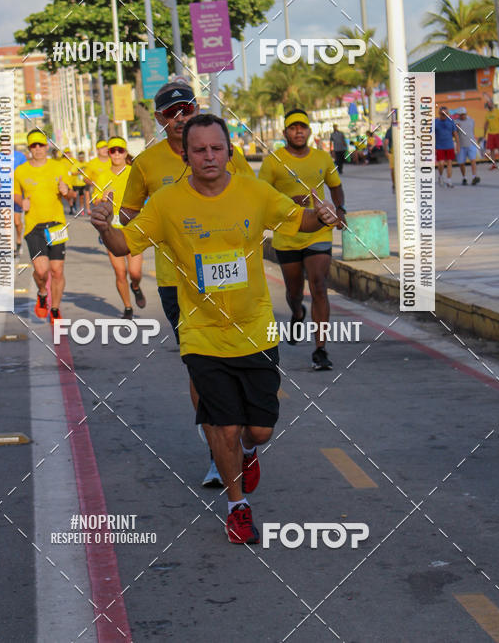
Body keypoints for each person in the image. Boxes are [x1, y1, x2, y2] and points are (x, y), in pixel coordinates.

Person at [91, 114, 338, 544]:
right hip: (201, 334)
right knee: (223, 426)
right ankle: (237, 507)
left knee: (258, 429)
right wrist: (103, 227)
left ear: (229, 151)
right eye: (199, 149)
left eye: (216, 148)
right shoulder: (167, 203)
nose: (209, 156)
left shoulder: (254, 191)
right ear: (185, 154)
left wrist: (323, 214)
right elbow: (123, 243)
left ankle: (248, 451)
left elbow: (300, 221)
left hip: (255, 330)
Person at [120, 80, 255, 489]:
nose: (180, 117)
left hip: (234, 276)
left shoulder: (225, 152)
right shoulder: (147, 163)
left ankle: (243, 442)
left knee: (243, 365)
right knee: (201, 370)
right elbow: (128, 216)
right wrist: (158, 221)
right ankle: (218, 455)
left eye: (186, 108)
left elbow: (253, 197)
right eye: (171, 113)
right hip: (177, 282)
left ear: (197, 108)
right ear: (161, 120)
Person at [258, 109, 345, 370]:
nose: (299, 131)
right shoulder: (273, 161)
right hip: (287, 234)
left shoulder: (321, 157)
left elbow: (335, 185)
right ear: (285, 133)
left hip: (318, 229)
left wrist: (340, 211)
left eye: (303, 127)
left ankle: (320, 349)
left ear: (309, 131)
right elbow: (261, 192)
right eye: (293, 128)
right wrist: (287, 202)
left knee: (319, 285)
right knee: (294, 291)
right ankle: (297, 313)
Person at [14, 129, 75, 325]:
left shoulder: (58, 167)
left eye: (41, 145)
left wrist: (66, 191)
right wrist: (21, 201)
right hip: (34, 227)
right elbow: (15, 194)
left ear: (47, 146)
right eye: (34, 145)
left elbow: (72, 193)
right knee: (41, 271)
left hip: (57, 224)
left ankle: (55, 309)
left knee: (57, 270)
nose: (38, 149)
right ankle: (42, 292)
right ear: (29, 148)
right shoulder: (21, 171)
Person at [86, 136, 145, 317]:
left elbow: (145, 195)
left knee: (134, 272)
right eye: (113, 151)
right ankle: (127, 307)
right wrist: (102, 199)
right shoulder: (103, 176)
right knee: (120, 272)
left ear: (125, 153)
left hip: (133, 227)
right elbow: (95, 202)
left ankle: (135, 286)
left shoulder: (134, 172)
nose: (117, 154)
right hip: (112, 229)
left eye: (120, 150)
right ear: (109, 153)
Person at [434, 106, 460, 187]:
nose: (444, 116)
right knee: (441, 163)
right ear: (439, 114)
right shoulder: (435, 122)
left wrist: (458, 145)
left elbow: (455, 134)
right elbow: (431, 135)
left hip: (449, 146)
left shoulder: (451, 121)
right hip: (439, 146)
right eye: (442, 114)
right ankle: (440, 176)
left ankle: (449, 180)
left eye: (446, 114)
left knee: (449, 163)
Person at [454, 107, 480, 186]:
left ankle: (474, 177)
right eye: (461, 115)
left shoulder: (471, 120)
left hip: (471, 144)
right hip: (461, 145)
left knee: (473, 160)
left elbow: (472, 131)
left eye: (464, 114)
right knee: (461, 163)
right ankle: (464, 178)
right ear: (458, 115)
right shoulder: (456, 122)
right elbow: (454, 134)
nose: (463, 116)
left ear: (466, 113)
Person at [483, 100, 499, 170]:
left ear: (493, 104)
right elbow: (486, 124)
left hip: (498, 133)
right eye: (488, 104)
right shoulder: (487, 114)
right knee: (491, 149)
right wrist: (484, 134)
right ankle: (494, 164)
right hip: (490, 134)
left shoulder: (498, 111)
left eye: (490, 104)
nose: (489, 105)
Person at [71, 150, 89, 215]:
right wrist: (79, 172)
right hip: (76, 183)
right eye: (80, 157)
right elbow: (72, 173)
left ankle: (81, 209)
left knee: (82, 197)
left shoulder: (86, 164)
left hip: (83, 183)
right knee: (75, 196)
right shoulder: (76, 164)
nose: (81, 158)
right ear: (78, 157)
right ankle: (74, 205)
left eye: (82, 157)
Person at [383, 124, 395, 190]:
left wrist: (386, 151)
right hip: (401, 153)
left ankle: (394, 184)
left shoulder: (389, 130)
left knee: (392, 169)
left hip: (392, 153)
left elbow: (386, 142)